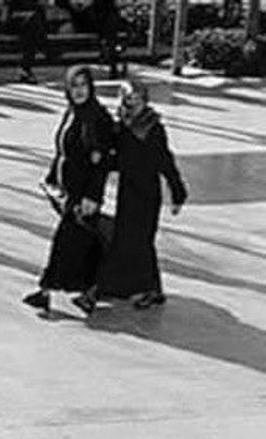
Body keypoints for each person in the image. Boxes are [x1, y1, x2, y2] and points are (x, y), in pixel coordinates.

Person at [76, 77, 184, 314]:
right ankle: (152, 289)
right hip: (128, 191)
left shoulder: (153, 127)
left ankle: (96, 292)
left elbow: (165, 160)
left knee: (130, 242)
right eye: (128, 99)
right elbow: (117, 156)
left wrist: (177, 190)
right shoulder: (122, 125)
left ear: (145, 100)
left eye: (137, 98)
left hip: (147, 193)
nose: (132, 103)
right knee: (138, 242)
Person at [24, 65, 115, 314]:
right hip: (68, 190)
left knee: (64, 241)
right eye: (74, 86)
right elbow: (62, 151)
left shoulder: (97, 117)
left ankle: (46, 289)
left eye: (83, 85)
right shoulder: (72, 113)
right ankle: (91, 291)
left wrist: (92, 196)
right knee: (85, 244)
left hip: (83, 194)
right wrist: (52, 178)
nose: (79, 91)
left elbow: (101, 162)